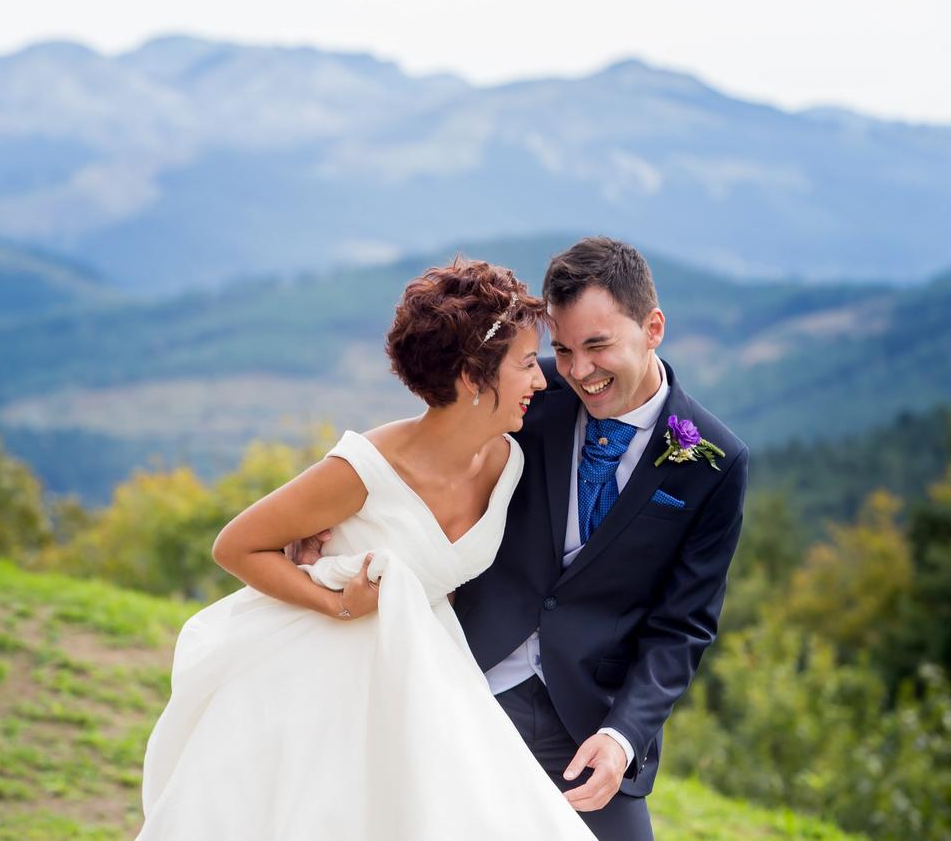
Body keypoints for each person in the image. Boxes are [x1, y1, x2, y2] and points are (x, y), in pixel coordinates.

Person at [137, 258, 594, 840]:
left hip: (422, 671)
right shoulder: (366, 468)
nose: (541, 380)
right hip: (319, 678)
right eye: (528, 364)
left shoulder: (509, 462)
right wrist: (335, 602)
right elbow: (237, 547)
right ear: (472, 377)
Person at [452, 237, 750, 840]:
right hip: (469, 682)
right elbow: (427, 447)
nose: (578, 371)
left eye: (597, 345)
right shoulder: (529, 394)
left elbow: (683, 624)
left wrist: (621, 738)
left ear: (653, 328)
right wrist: (345, 506)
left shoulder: (715, 462)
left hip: (591, 722)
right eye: (561, 348)